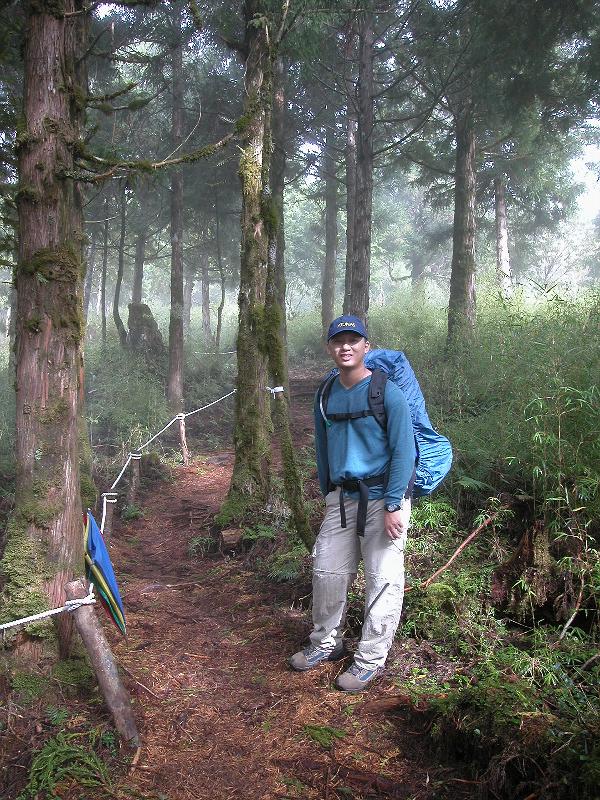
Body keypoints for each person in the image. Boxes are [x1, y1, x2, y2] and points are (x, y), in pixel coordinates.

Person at [289, 315, 416, 692]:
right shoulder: (326, 393)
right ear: (330, 348)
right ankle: (326, 643)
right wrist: (329, 491)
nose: (345, 346)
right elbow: (323, 446)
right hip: (342, 500)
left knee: (383, 580)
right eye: (338, 341)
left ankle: (369, 660)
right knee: (326, 572)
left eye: (353, 340)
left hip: (384, 499)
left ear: (366, 347)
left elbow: (404, 451)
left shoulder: (386, 392)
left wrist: (393, 504)